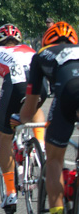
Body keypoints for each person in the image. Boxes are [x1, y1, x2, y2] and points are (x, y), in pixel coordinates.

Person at [0, 24, 46, 214]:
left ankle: (10, 193)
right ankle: (41, 147)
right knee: (35, 107)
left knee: (5, 138)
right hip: (41, 85)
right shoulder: (30, 49)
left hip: (16, 86)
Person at [16, 21, 79, 214]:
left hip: (69, 92)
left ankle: (57, 210)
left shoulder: (42, 55)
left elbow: (30, 107)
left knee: (54, 160)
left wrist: (20, 120)